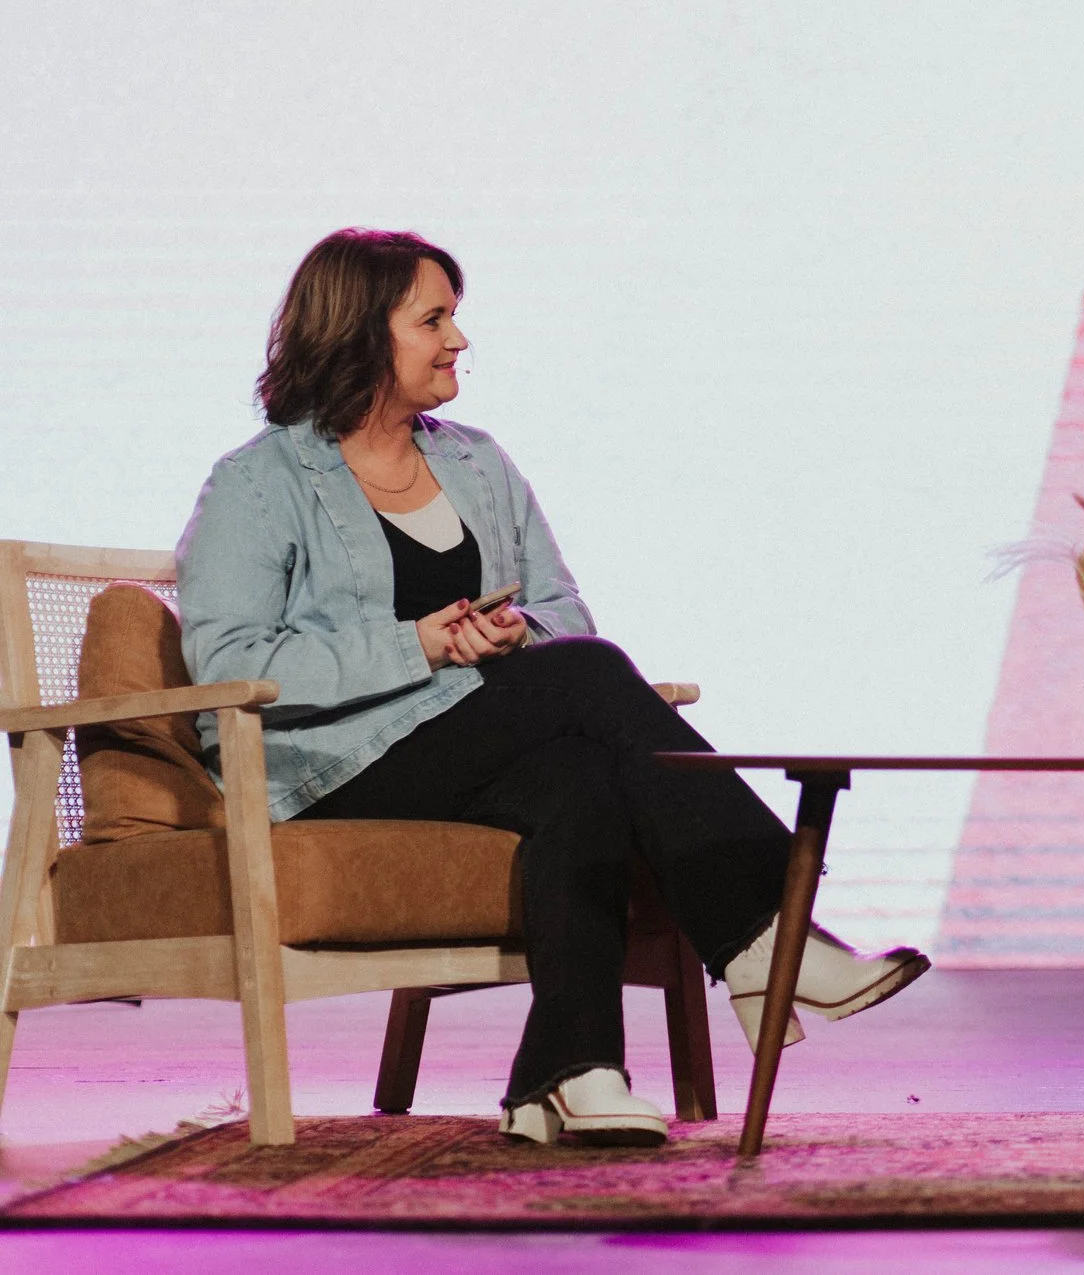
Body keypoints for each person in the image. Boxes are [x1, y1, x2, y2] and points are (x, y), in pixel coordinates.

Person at [177, 229, 929, 1147]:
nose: (458, 340)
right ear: (361, 333)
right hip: (331, 764)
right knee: (590, 676)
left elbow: (562, 607)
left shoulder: (477, 462)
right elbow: (229, 664)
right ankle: (769, 931)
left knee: (579, 771)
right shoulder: (259, 483)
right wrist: (420, 643)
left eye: (456, 317)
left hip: (470, 739)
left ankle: (568, 1072)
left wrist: (510, 632)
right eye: (434, 319)